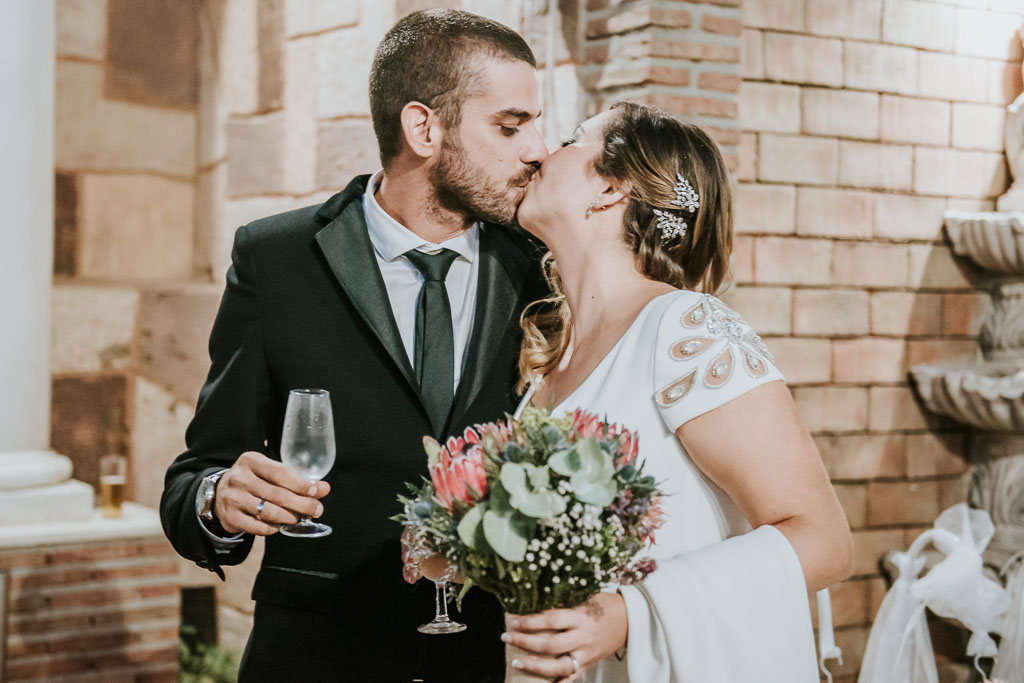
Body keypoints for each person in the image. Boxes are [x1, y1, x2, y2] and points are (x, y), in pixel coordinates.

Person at [159, 9, 548, 682]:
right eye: (510, 127)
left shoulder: (538, 268)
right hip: (314, 654)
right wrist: (218, 496)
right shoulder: (277, 259)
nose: (535, 149)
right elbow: (194, 475)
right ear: (423, 127)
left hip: (475, 658)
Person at [498, 102, 855, 681]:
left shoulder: (688, 329)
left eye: (569, 138)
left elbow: (824, 541)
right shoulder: (551, 360)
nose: (541, 151)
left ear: (612, 187)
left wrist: (630, 613)